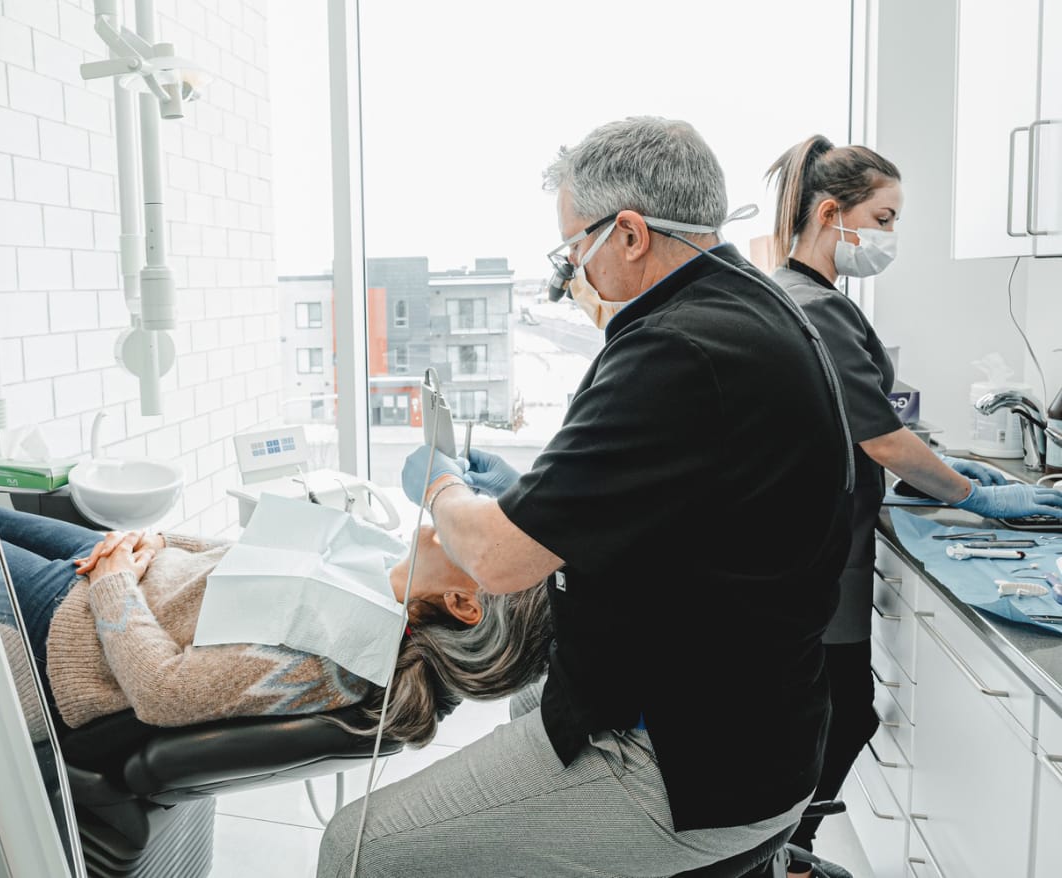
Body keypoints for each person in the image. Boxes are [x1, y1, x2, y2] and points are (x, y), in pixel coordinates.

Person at [316, 117, 855, 877]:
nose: (573, 274)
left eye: (575, 250)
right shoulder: (750, 313)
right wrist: (529, 499)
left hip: (689, 764)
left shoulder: (675, 349)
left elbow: (499, 560)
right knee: (526, 706)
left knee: (353, 849)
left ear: (629, 235)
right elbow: (664, 489)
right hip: (763, 724)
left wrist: (438, 485)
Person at [0, 414, 550, 745]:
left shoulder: (332, 661)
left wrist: (118, 580)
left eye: (478, 523)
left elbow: (161, 690)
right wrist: (147, 540)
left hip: (80, 635)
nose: (462, 510)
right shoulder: (377, 570)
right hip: (125, 572)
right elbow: (238, 555)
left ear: (466, 595)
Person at [762, 135, 1062, 878]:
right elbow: (883, 442)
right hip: (818, 556)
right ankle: (780, 859)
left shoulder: (804, 295)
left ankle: (781, 855)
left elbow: (872, 428)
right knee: (843, 714)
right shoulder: (815, 304)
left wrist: (942, 464)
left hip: (819, 546)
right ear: (832, 212)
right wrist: (978, 496)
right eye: (885, 217)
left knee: (836, 714)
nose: (891, 236)